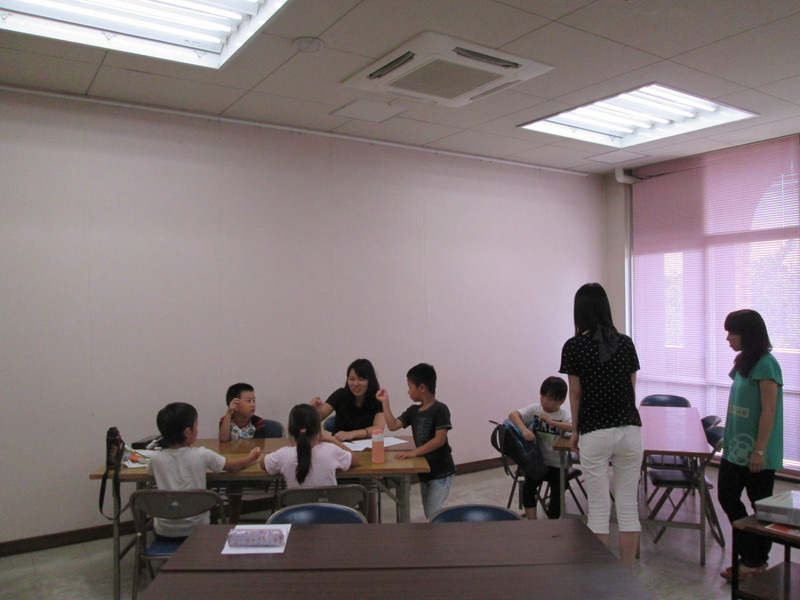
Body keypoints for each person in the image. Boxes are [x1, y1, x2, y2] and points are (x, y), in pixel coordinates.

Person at [559, 283, 642, 568]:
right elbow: (631, 388)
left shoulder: (573, 347)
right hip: (629, 429)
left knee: (598, 509)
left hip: (594, 431)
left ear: (579, 311)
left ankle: (600, 577)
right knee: (628, 507)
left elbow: (575, 393)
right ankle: (627, 574)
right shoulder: (626, 343)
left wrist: (575, 431)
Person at [718, 309, 784, 582]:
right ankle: (752, 557)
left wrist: (759, 450)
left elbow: (769, 410)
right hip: (735, 450)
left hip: (757, 453)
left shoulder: (767, 364)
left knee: (761, 508)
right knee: (727, 497)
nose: (728, 338)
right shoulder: (743, 362)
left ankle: (754, 561)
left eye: (732, 332)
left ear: (747, 333)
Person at [148, 402, 261, 539]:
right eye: (196, 425)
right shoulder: (202, 454)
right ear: (187, 432)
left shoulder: (155, 459)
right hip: (197, 529)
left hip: (164, 532)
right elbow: (233, 467)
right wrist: (251, 457)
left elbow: (150, 473)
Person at [377, 363, 455, 519]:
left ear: (422, 388)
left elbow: (439, 440)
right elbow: (393, 425)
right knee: (430, 512)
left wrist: (414, 452)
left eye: (409, 387)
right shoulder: (413, 411)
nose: (408, 391)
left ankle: (446, 532)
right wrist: (385, 402)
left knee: (433, 513)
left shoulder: (440, 409)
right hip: (425, 473)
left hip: (441, 472)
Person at [508, 376, 572, 520]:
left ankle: (551, 524)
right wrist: (524, 429)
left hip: (557, 465)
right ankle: (533, 523)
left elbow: (573, 427)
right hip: (537, 463)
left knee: (557, 496)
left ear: (561, 401)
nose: (545, 401)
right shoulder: (535, 409)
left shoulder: (563, 414)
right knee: (528, 489)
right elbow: (513, 415)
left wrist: (552, 422)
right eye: (543, 396)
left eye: (551, 399)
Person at [261, 403, 359, 487]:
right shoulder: (331, 450)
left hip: (296, 504)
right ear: (318, 430)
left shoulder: (283, 455)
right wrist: (331, 438)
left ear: (290, 431)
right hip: (328, 504)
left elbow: (262, 463)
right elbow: (355, 460)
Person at [311, 358, 385, 442]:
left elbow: (378, 428)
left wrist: (352, 434)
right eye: (351, 379)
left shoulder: (378, 398)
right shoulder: (340, 394)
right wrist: (313, 410)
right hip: (340, 444)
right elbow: (319, 416)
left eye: (360, 379)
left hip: (367, 445)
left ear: (370, 381)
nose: (355, 384)